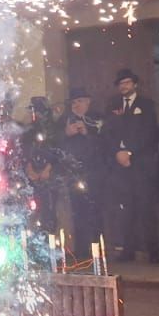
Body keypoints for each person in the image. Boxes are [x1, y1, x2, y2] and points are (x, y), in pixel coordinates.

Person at [103, 69, 159, 262]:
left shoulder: (146, 105)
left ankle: (153, 251)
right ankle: (128, 249)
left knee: (146, 207)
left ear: (134, 84)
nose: (124, 86)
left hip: (141, 164)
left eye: (127, 82)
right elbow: (107, 132)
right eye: (121, 83)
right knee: (125, 209)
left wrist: (130, 152)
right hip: (120, 166)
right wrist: (117, 152)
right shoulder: (113, 105)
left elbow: (149, 133)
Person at [56, 87, 104, 257]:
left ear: (88, 102)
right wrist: (66, 134)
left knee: (96, 211)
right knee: (78, 212)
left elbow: (105, 144)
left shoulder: (97, 118)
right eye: (74, 102)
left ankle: (99, 248)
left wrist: (86, 133)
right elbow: (55, 144)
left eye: (80, 101)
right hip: (74, 173)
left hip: (95, 173)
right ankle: (82, 250)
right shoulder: (65, 120)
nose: (76, 105)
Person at [20, 97, 61, 235]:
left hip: (49, 175)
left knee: (48, 210)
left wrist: (48, 168)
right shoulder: (28, 129)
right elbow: (25, 149)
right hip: (32, 175)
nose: (35, 114)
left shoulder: (52, 128)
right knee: (32, 209)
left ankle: (47, 240)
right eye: (33, 110)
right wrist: (29, 167)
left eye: (38, 110)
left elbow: (56, 149)